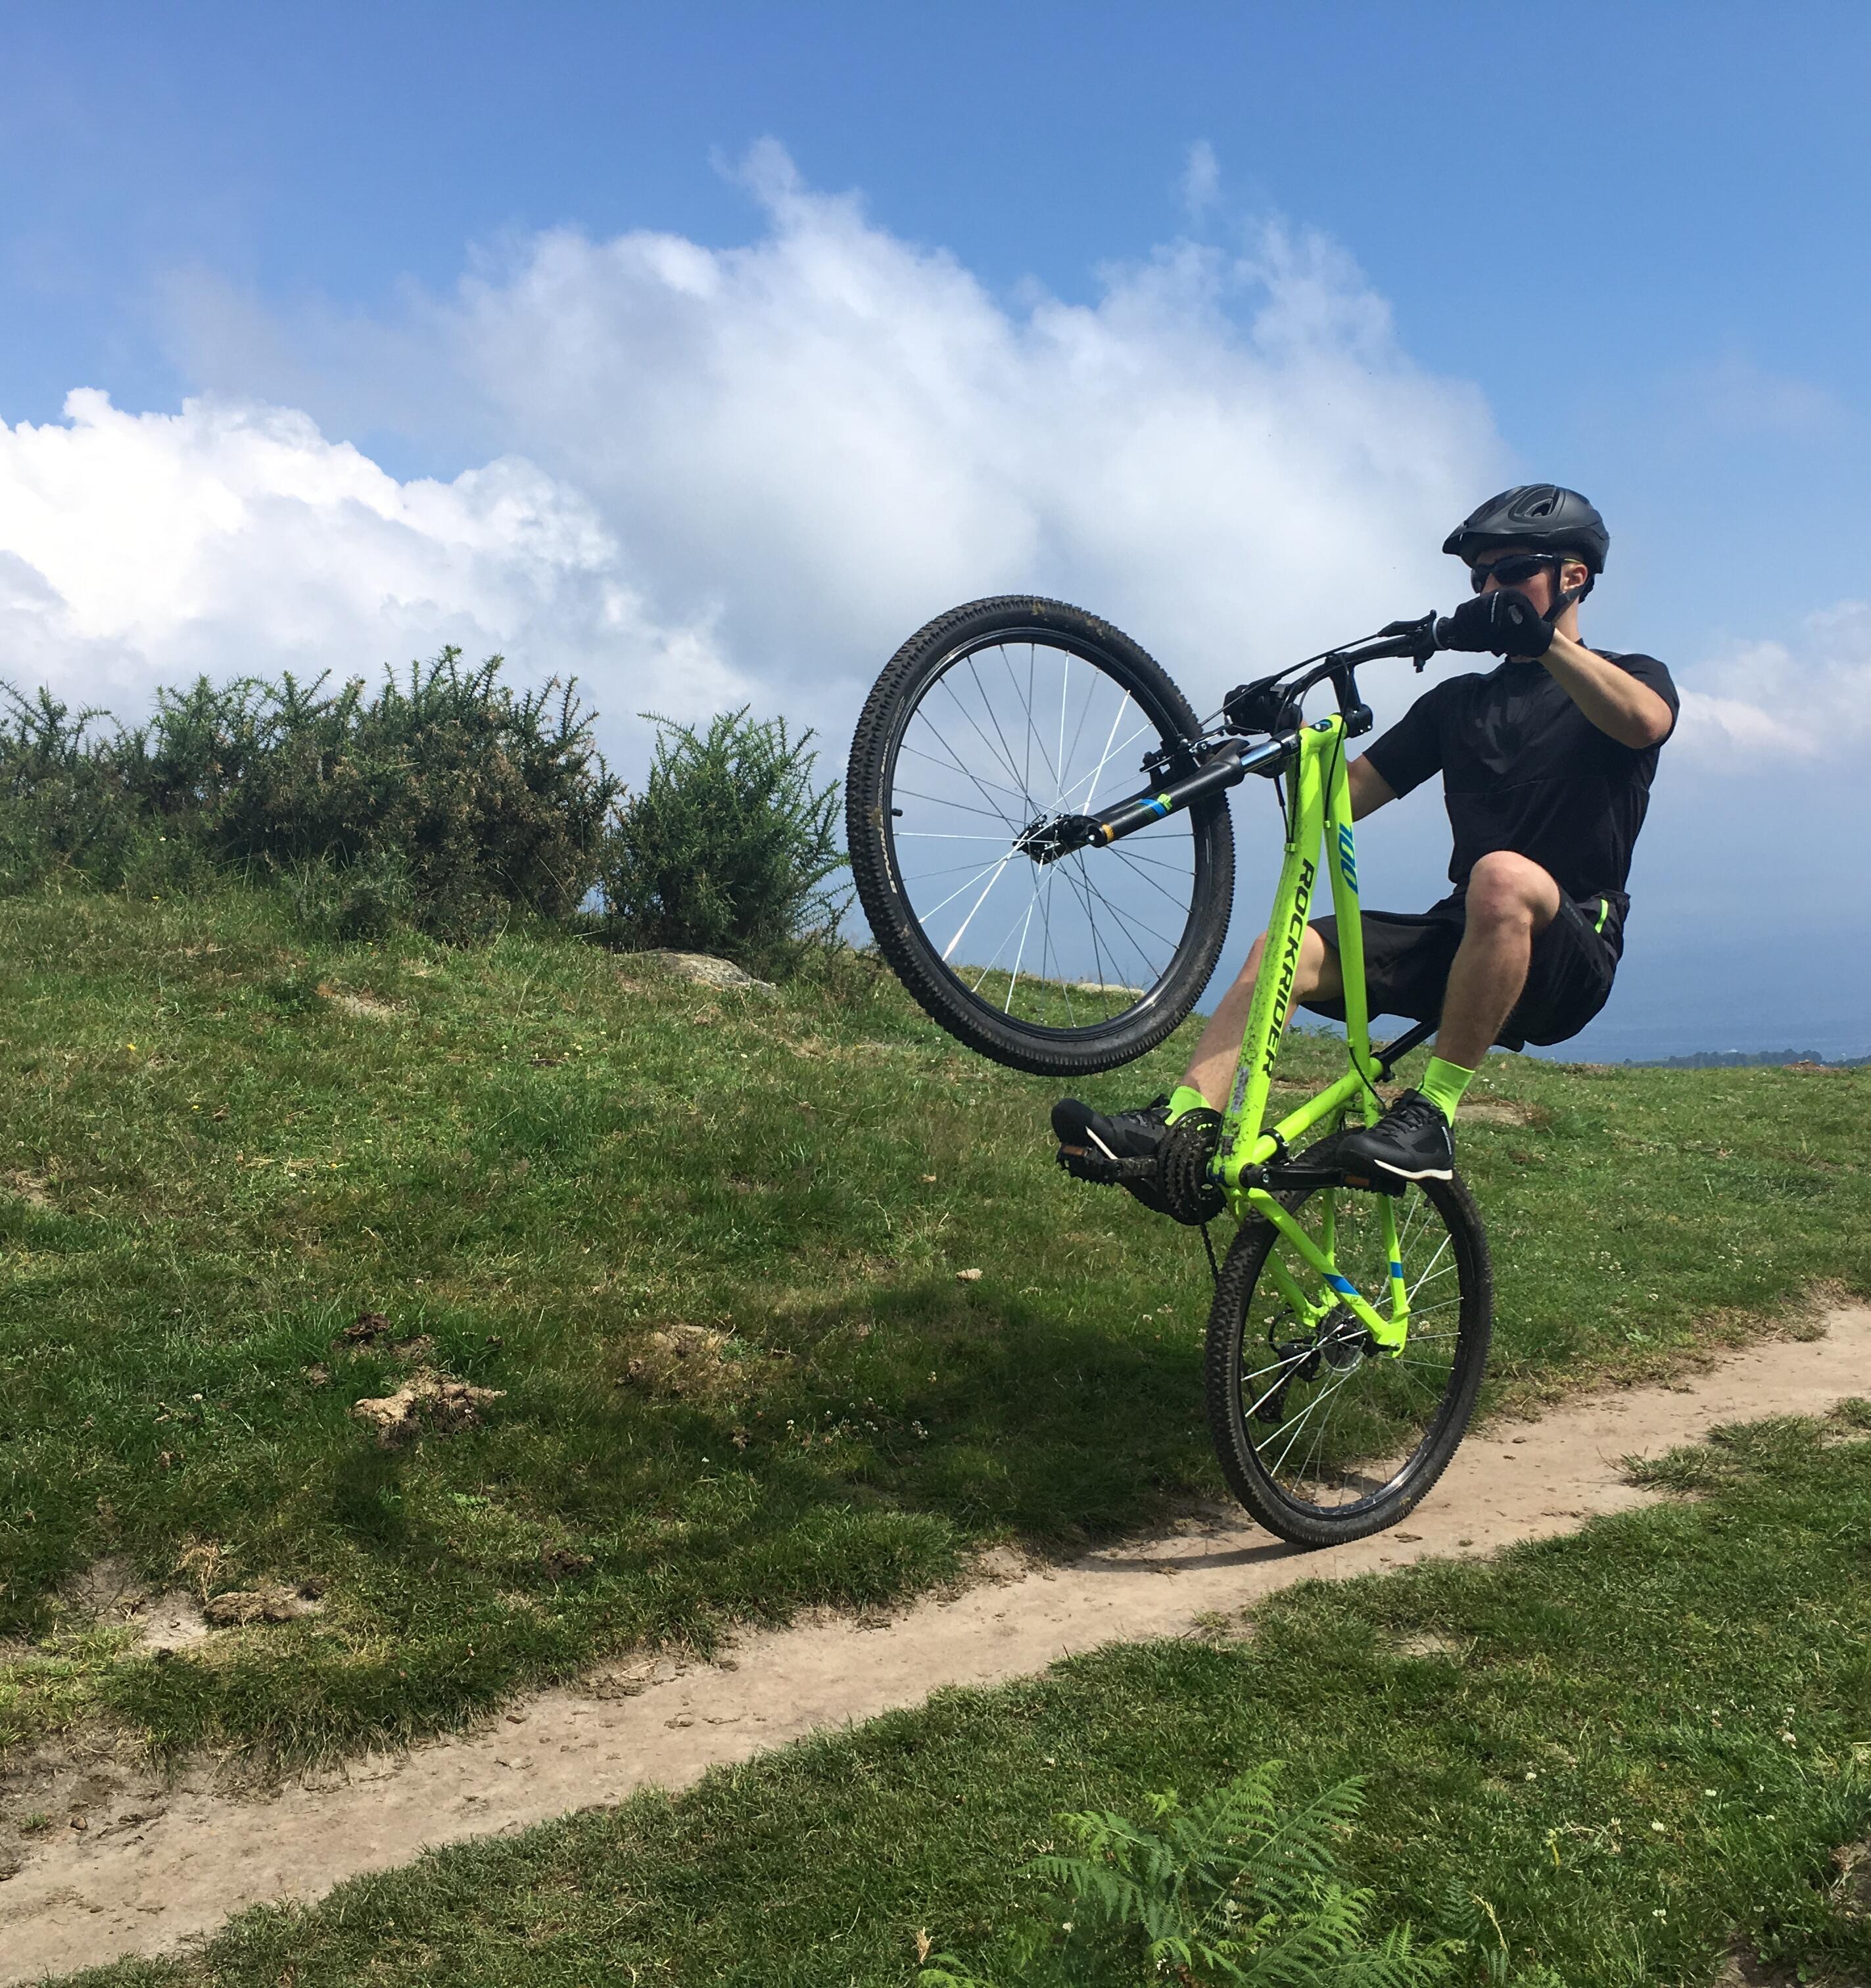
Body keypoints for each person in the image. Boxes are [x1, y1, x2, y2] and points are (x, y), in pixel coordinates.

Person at [1053, 484, 1677, 1195]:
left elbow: (1642, 724)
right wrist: (1283, 741)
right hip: (1465, 935)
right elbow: (1337, 802)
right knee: (1282, 953)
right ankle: (1182, 1125)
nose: (1487, 589)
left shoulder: (1630, 676)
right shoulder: (1457, 704)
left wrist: (1541, 642)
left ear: (1573, 576)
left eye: (1509, 572)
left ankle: (1432, 1116)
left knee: (1501, 874)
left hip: (1571, 948)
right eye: (1479, 577)